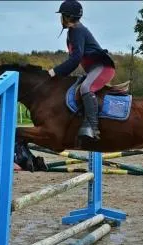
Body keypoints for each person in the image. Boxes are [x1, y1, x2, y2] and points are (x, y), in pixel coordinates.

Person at [48, 0, 116, 141]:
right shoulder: (74, 31)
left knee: (86, 88)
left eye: (62, 15)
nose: (60, 18)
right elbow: (73, 60)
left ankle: (92, 127)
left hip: (103, 68)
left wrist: (54, 72)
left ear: (66, 17)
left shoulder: (77, 30)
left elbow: (75, 60)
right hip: (93, 69)